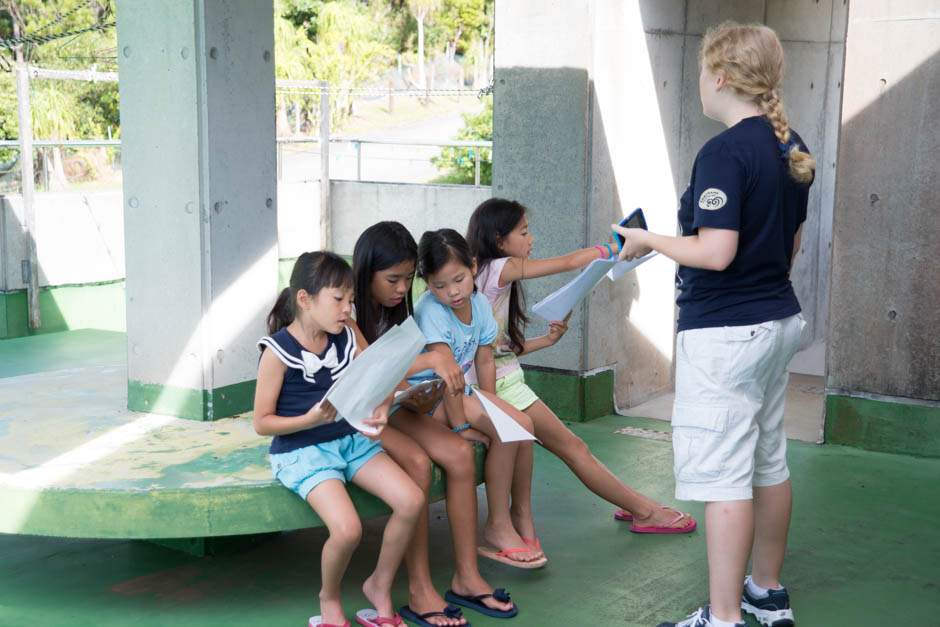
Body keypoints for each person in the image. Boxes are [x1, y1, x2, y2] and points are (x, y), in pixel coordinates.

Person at [612, 22, 815, 627]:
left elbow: (717, 252)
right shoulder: (789, 143)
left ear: (720, 76)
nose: (700, 80)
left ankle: (723, 617)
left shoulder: (724, 152)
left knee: (726, 476)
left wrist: (646, 238)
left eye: (703, 70)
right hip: (778, 321)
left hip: (726, 335)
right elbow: (791, 242)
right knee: (768, 462)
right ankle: (765, 591)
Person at [465, 197, 697, 535]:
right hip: (501, 388)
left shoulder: (486, 279)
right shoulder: (500, 268)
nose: (531, 240)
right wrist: (612, 249)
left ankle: (634, 504)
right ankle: (645, 511)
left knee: (572, 449)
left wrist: (546, 341)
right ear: (499, 240)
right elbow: (569, 262)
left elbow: (495, 351)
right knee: (574, 449)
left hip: (502, 380)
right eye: (524, 232)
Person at [351, 222, 517, 626]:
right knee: (421, 464)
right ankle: (419, 588)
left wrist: (420, 391)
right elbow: (367, 373)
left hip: (396, 406)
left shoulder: (400, 312)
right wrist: (428, 364)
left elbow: (402, 383)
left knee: (460, 454)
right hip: (362, 414)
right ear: (366, 271)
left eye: (407, 279)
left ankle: (466, 576)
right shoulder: (350, 311)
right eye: (392, 279)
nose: (400, 288)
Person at [253, 251, 425, 627]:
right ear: (304, 299)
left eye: (350, 300)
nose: (348, 309)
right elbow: (262, 423)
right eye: (338, 300)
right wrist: (309, 419)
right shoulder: (278, 351)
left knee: (411, 500)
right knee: (347, 529)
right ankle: (328, 599)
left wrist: (382, 407)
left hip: (349, 441)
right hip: (301, 451)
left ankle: (379, 585)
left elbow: (378, 376)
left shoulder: (345, 337)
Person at [410, 228, 549, 572]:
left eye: (458, 279)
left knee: (523, 425)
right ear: (426, 284)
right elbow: (445, 375)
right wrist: (460, 427)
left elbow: (484, 359)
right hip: (428, 400)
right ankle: (498, 525)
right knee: (506, 429)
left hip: (461, 393)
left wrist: (489, 403)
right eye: (439, 285)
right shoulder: (431, 311)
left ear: (473, 266)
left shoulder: (480, 303)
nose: (452, 292)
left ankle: (516, 516)